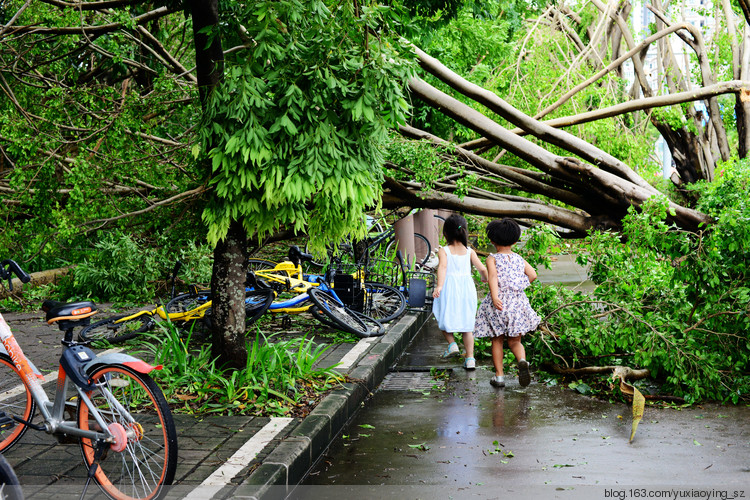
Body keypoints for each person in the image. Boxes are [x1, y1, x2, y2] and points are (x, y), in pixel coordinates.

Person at [474, 218, 540, 387]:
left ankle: (499, 377)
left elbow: (493, 277)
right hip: (517, 303)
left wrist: (496, 297)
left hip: (500, 304)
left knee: (497, 340)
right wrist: (518, 286)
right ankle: (522, 360)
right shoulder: (519, 258)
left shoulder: (492, 258)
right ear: (516, 240)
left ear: (492, 240)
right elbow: (532, 275)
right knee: (515, 341)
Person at [432, 214, 488, 370]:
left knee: (442, 315)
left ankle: (452, 344)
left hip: (449, 287)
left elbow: (442, 268)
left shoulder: (444, 251)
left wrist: (439, 286)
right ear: (464, 232)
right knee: (467, 325)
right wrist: (486, 279)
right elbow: (482, 268)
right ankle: (470, 359)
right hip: (466, 288)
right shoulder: (470, 251)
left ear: (446, 233)